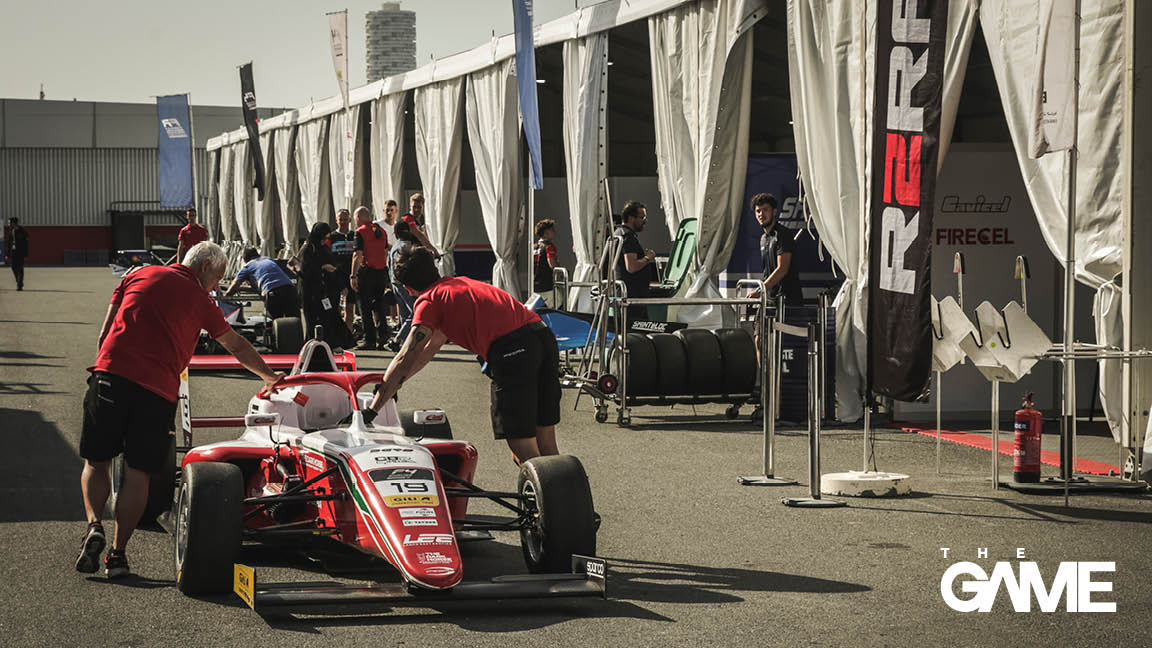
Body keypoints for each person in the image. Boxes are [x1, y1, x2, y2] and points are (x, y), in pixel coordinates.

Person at [76, 241, 283, 579]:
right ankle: (118, 555)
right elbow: (235, 345)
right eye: (216, 278)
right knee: (139, 474)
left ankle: (94, 526)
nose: (216, 286)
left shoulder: (137, 275)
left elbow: (105, 332)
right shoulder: (202, 302)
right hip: (157, 391)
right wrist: (269, 376)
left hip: (111, 376)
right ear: (203, 268)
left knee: (95, 462)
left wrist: (107, 370)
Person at [364, 246, 561, 464]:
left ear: (407, 288)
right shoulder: (457, 285)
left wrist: (374, 408)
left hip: (512, 350)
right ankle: (563, 494)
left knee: (522, 448)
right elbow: (427, 351)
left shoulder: (429, 300)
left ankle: (544, 495)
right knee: (545, 442)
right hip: (543, 337)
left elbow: (406, 355)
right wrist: (391, 387)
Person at [297, 222, 353, 350]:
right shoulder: (308, 249)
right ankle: (311, 347)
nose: (325, 240)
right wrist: (322, 267)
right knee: (312, 319)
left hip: (324, 290)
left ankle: (329, 345)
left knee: (328, 317)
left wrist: (341, 285)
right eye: (323, 237)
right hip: (310, 291)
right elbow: (305, 270)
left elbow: (333, 265)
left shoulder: (323, 248)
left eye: (327, 238)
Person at [750, 193, 803, 308]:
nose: (761, 214)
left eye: (765, 210)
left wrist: (760, 290)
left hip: (788, 303)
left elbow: (782, 269)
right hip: (770, 301)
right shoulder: (763, 238)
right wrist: (762, 292)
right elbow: (767, 272)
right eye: (758, 211)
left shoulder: (783, 234)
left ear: (774, 212)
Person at [350, 206, 393, 350]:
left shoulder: (360, 232)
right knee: (379, 305)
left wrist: (353, 275)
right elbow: (385, 251)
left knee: (365, 306)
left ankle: (369, 339)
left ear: (359, 218)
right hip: (381, 272)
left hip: (366, 272)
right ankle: (383, 337)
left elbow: (358, 255)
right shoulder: (381, 231)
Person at [223, 248, 301, 319]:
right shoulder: (269, 260)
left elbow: (232, 288)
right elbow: (260, 286)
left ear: (245, 260)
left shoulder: (247, 267)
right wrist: (240, 288)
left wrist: (225, 296)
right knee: (295, 320)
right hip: (290, 289)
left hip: (273, 292)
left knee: (273, 321)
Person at [613, 201, 656, 322]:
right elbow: (631, 267)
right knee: (637, 333)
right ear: (631, 218)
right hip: (632, 296)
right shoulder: (628, 237)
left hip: (626, 293)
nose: (645, 221)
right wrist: (648, 258)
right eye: (642, 217)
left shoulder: (618, 233)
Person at [386, 220, 419, 351]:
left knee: (404, 314)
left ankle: (405, 343)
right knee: (414, 313)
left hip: (394, 282)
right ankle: (397, 340)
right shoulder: (406, 246)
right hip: (404, 283)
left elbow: (388, 264)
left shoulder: (395, 246)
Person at [329, 208, 358, 333]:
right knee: (335, 309)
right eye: (340, 219)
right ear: (336, 220)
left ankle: (348, 336)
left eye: (345, 219)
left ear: (350, 220)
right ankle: (336, 335)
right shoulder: (332, 237)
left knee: (350, 309)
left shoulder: (355, 235)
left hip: (351, 276)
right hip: (336, 278)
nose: (343, 222)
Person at [533, 219, 559, 296]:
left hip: (535, 285)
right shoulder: (549, 246)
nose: (554, 232)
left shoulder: (534, 247)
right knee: (560, 303)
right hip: (547, 286)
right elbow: (552, 264)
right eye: (552, 230)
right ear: (545, 233)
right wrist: (561, 272)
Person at [7, 216, 28, 291]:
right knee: (13, 267)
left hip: (21, 253)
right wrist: (7, 254)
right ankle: (19, 281)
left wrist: (26, 255)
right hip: (13, 253)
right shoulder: (11, 231)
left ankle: (19, 285)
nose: (8, 224)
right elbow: (9, 243)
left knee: (20, 269)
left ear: (13, 223)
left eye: (9, 222)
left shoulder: (22, 231)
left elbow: (26, 244)